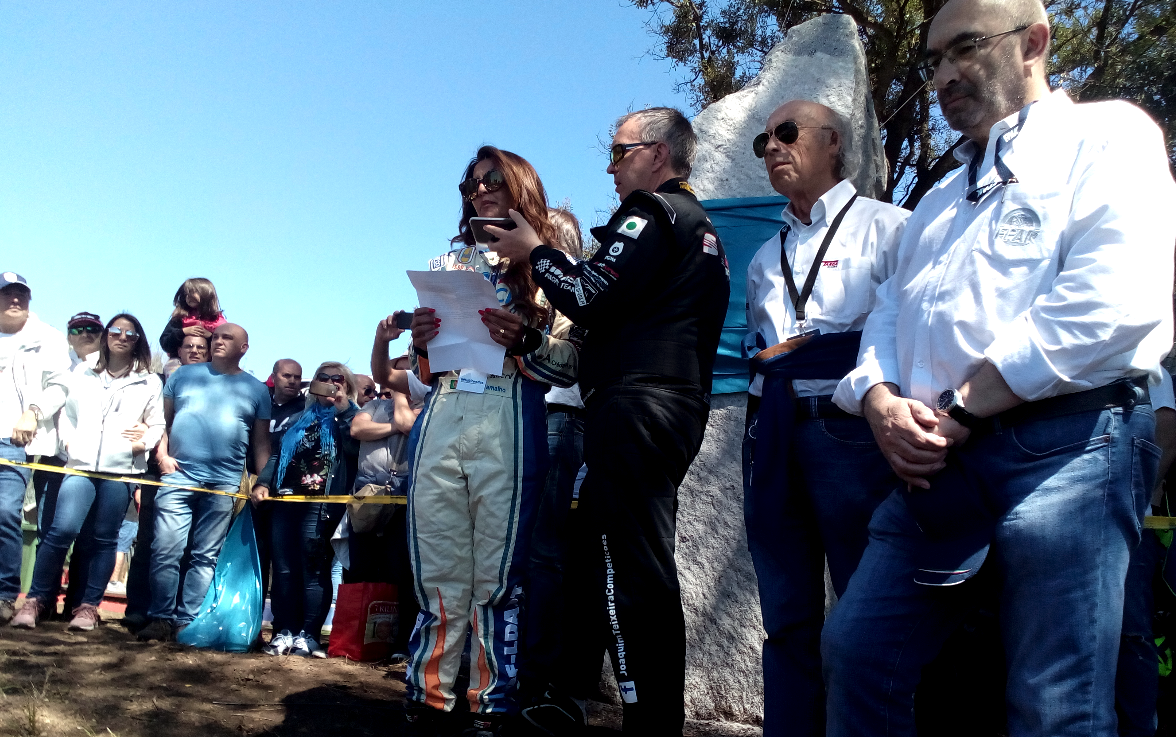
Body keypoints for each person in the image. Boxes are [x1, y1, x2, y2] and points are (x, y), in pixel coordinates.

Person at [823, 0, 1176, 733]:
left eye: (966, 48)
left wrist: (963, 407)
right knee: (856, 652)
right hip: (934, 465)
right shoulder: (939, 201)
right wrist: (882, 401)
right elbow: (888, 315)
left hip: (1068, 446)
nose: (945, 74)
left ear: (1034, 43)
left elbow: (1112, 300)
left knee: (1055, 703)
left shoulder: (1105, 136)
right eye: (933, 61)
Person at [491, 107, 731, 735]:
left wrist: (537, 250)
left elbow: (587, 294)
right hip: (661, 404)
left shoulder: (653, 211)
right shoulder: (698, 227)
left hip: (636, 407)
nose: (612, 167)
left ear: (656, 153)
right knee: (615, 560)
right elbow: (612, 312)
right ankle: (600, 704)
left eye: (620, 153)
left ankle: (650, 723)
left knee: (633, 571)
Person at [739, 99, 908, 737]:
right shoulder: (763, 259)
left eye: (787, 133)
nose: (773, 148)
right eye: (763, 141)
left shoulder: (891, 228)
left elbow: (906, 337)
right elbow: (766, 350)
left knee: (867, 610)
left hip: (856, 435)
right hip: (777, 434)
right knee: (784, 613)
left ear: (833, 142)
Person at [402, 145, 579, 737]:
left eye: (492, 179)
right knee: (438, 561)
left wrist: (525, 339)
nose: (480, 189)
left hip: (509, 410)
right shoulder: (445, 263)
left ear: (521, 184)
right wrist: (422, 342)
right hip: (445, 409)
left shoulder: (549, 265)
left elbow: (572, 364)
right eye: (471, 182)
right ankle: (429, 693)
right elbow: (419, 371)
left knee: (497, 574)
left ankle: (491, 700)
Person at [13, 314, 164, 632]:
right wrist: (69, 440)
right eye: (116, 331)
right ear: (107, 335)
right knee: (61, 530)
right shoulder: (83, 371)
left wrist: (145, 441)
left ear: (139, 340)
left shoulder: (149, 380)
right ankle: (36, 601)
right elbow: (65, 411)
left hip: (120, 472)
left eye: (130, 333)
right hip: (79, 466)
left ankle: (87, 608)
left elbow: (157, 425)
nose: (122, 337)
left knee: (104, 539)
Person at [138, 323, 271, 641]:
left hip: (224, 484)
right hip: (178, 476)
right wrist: (162, 457)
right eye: (217, 337)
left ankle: (186, 622)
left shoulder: (257, 389)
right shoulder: (182, 376)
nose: (219, 341)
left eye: (228, 338)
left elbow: (261, 445)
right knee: (165, 549)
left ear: (244, 348)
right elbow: (163, 423)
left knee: (204, 555)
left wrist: (262, 482)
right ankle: (160, 618)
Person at [254, 362, 359, 658]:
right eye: (322, 378)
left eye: (336, 379)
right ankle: (283, 632)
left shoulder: (351, 418)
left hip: (321, 504)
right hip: (285, 501)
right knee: (284, 570)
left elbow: (354, 448)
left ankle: (309, 635)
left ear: (346, 384)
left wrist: (343, 409)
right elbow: (278, 456)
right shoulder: (301, 418)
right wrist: (263, 482)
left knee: (313, 570)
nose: (328, 383)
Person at [123, 326, 215, 628]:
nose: (195, 350)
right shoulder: (160, 381)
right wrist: (160, 454)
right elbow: (151, 420)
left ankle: (177, 614)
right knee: (150, 540)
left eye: (202, 346)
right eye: (189, 345)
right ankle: (138, 609)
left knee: (189, 547)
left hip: (201, 476)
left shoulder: (218, 384)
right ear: (179, 350)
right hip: (157, 469)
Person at [0, 272, 71, 626]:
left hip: (14, 440)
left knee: (4, 512)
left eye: (21, 294)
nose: (15, 300)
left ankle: (4, 594)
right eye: (8, 293)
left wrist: (33, 412)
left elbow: (60, 385)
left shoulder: (49, 338)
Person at [345, 357, 419, 661]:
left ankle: (399, 643)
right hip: (367, 493)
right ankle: (357, 639)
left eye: (406, 371)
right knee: (360, 568)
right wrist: (392, 424)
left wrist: (400, 398)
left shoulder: (428, 407)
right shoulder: (374, 406)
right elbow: (357, 429)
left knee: (399, 570)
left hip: (405, 495)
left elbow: (408, 424)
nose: (398, 376)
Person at [158, 277, 226, 359]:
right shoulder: (180, 318)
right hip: (180, 362)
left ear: (206, 293)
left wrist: (210, 336)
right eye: (186, 294)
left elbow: (226, 346)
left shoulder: (218, 321)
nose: (189, 297)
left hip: (209, 364)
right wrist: (183, 332)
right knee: (172, 369)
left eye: (193, 292)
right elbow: (165, 342)